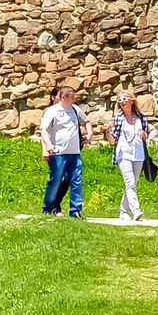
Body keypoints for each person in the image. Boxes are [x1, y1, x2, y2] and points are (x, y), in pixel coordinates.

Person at [39, 85, 90, 218]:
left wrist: (90, 134)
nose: (73, 100)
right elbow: (43, 130)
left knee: (76, 180)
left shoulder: (75, 109)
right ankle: (48, 207)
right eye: (70, 97)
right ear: (62, 97)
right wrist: (48, 145)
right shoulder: (52, 111)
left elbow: (86, 121)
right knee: (55, 180)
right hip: (58, 153)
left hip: (75, 152)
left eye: (74, 97)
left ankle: (75, 210)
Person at [108, 92, 152, 222]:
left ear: (132, 101)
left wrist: (145, 135)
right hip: (123, 153)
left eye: (124, 99)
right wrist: (107, 130)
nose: (122, 102)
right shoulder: (117, 118)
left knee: (132, 183)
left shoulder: (141, 117)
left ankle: (123, 211)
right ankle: (136, 210)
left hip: (138, 153)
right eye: (119, 100)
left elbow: (146, 133)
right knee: (130, 181)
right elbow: (112, 140)